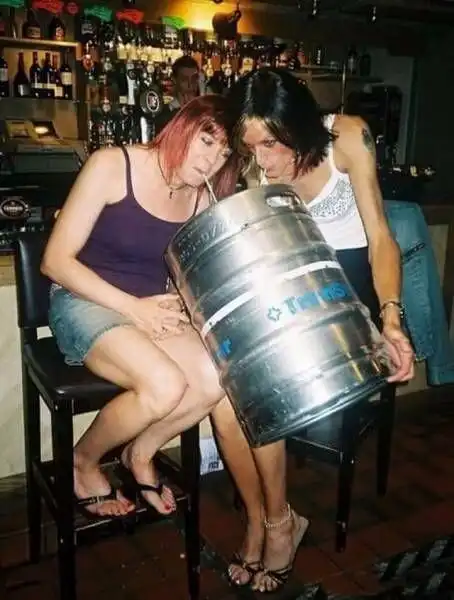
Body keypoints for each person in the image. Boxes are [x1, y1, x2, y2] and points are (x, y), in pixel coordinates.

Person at [210, 68, 415, 593]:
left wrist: (391, 317)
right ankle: (268, 519)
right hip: (297, 302)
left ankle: (276, 524)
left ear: (299, 126)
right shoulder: (257, 169)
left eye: (272, 144)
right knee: (227, 400)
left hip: (351, 304)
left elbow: (380, 238)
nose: (262, 160)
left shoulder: (347, 136)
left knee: (260, 396)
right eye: (251, 146)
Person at [41, 94, 241, 518]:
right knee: (164, 385)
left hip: (148, 308)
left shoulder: (201, 198)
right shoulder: (112, 165)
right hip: (83, 299)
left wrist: (185, 304)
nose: (211, 161)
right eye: (207, 141)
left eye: (224, 153)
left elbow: (188, 273)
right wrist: (134, 308)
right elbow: (55, 261)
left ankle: (140, 453)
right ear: (182, 126)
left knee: (216, 378)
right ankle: (81, 462)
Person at [154, 55, 201, 135]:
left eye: (194, 79)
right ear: (175, 80)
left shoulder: (204, 111)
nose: (190, 84)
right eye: (184, 79)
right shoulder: (165, 113)